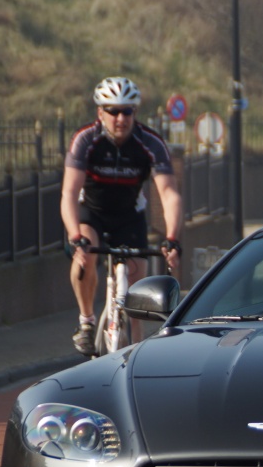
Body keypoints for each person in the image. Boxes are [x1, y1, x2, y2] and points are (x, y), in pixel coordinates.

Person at [62, 76, 182, 357]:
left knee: (138, 280)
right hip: (92, 211)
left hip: (130, 215)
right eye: (113, 110)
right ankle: (87, 321)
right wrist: (74, 236)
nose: (120, 118)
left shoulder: (150, 143)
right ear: (100, 112)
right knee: (87, 254)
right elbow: (69, 192)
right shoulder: (85, 140)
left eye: (127, 111)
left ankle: (136, 347)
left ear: (135, 114)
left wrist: (172, 238)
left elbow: (169, 194)